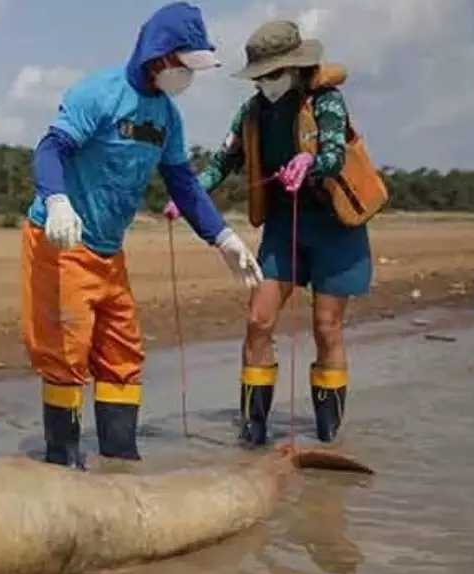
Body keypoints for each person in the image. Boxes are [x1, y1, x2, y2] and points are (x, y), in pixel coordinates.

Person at [23, 2, 264, 469]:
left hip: (110, 253)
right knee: (66, 353)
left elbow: (184, 184)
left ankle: (120, 461)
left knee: (122, 352)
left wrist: (223, 239)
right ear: (159, 57)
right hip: (63, 243)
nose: (187, 77)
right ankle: (63, 462)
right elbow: (51, 149)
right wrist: (56, 200)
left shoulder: (167, 117)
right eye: (184, 65)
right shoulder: (99, 94)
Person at [164, 20, 387, 447]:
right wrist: (188, 195)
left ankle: (327, 433)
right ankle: (255, 427)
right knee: (258, 320)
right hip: (284, 229)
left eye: (273, 74)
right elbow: (220, 162)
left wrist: (311, 163)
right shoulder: (251, 113)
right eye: (260, 76)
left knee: (327, 327)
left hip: (335, 228)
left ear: (294, 68)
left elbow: (335, 151)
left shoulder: (326, 101)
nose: (266, 83)